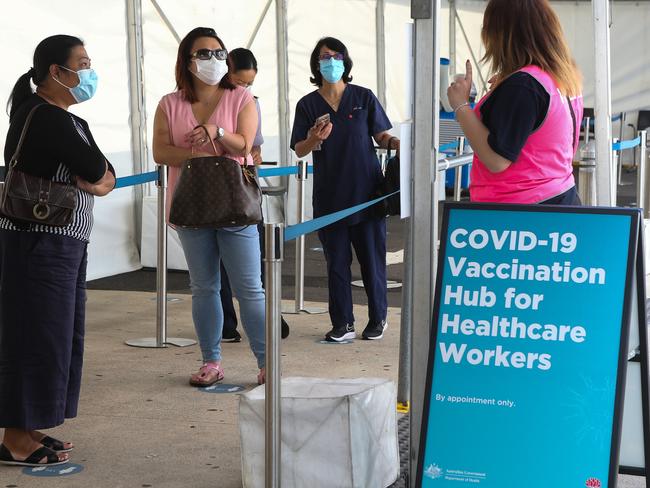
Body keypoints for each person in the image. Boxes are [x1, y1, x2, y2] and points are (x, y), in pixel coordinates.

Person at [0, 35, 116, 467]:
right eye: (82, 63)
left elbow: (107, 174)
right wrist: (101, 179)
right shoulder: (46, 117)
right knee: (36, 336)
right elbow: (95, 171)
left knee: (55, 336)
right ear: (56, 72)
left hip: (59, 241)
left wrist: (103, 178)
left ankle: (27, 427)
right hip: (40, 242)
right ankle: (15, 437)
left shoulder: (61, 118)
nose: (89, 72)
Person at [152, 27, 266, 386]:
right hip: (191, 206)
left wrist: (216, 132)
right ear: (187, 60)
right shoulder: (169, 104)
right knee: (203, 286)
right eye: (204, 53)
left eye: (219, 53)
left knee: (250, 288)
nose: (213, 60)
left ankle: (267, 363)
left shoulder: (242, 97)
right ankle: (211, 361)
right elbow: (160, 152)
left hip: (235, 204)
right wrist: (197, 153)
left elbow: (245, 145)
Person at [290, 37, 399, 342]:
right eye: (325, 57)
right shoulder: (308, 105)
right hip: (330, 196)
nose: (331, 62)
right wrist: (313, 138)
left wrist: (396, 143)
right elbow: (299, 149)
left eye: (337, 56)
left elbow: (382, 134)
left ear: (345, 62)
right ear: (316, 63)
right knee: (336, 262)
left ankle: (378, 317)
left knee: (371, 260)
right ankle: (343, 323)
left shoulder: (363, 97)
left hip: (367, 193)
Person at [447, 0, 583, 205]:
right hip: (557, 196)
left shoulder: (523, 86)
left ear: (502, 34)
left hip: (520, 212)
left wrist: (460, 106)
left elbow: (497, 160)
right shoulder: (560, 76)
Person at [220, 47, 290, 343]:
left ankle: (266, 317)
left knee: (256, 259)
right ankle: (226, 322)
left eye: (249, 84)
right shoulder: (206, 101)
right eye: (239, 82)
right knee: (217, 263)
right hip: (214, 187)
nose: (244, 89)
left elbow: (253, 146)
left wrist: (249, 149)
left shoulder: (251, 102)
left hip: (244, 186)